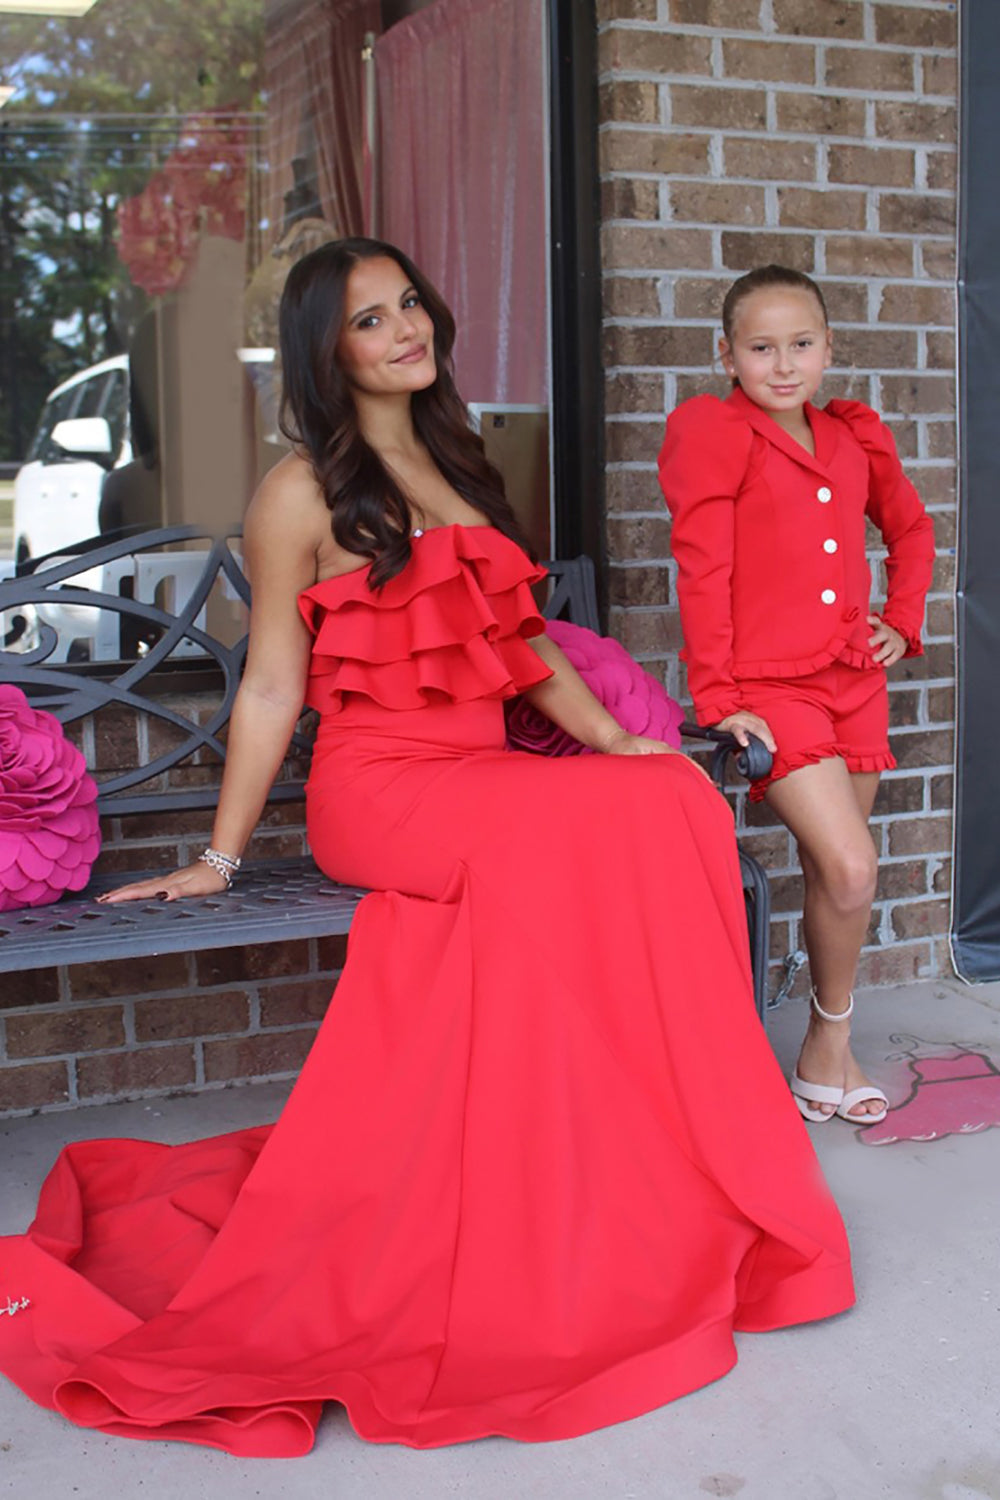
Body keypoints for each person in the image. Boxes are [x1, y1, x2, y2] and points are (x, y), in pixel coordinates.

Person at [0, 241, 854, 1458]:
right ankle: (576, 1188)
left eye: (408, 304)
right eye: (368, 319)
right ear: (324, 350)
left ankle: (657, 1160)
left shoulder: (457, 459)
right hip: (383, 785)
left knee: (667, 803)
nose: (405, 328)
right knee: (586, 837)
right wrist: (223, 858)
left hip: (480, 770)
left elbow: (525, 647)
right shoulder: (299, 490)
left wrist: (621, 741)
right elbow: (270, 693)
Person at [658, 264, 935, 1128]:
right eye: (762, 347)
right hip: (773, 692)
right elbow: (703, 573)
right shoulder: (712, 432)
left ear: (828, 348)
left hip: (853, 681)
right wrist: (718, 697)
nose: (784, 365)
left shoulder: (853, 434)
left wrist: (903, 617)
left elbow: (912, 527)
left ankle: (830, 1049)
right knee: (854, 866)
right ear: (728, 354)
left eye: (802, 344)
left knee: (833, 874)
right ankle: (825, 1044)